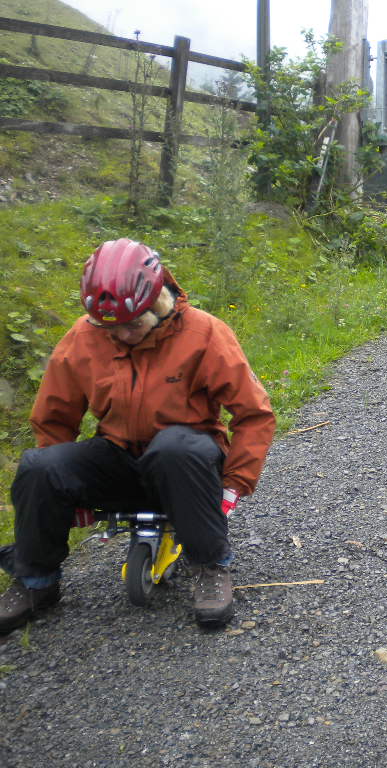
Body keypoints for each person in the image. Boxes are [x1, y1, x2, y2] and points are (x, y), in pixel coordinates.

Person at [0, 238, 276, 632]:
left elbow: (255, 413)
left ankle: (210, 566)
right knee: (39, 466)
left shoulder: (204, 333)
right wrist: (67, 491)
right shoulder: (84, 336)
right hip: (118, 454)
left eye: (133, 324)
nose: (123, 335)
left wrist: (234, 486)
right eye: (109, 326)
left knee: (174, 447)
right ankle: (35, 582)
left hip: (188, 463)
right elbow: (54, 415)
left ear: (157, 302)